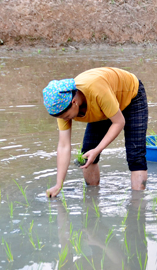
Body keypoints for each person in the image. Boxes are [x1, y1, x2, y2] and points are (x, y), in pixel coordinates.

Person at [43, 67, 148, 197]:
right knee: (88, 154)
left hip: (131, 96)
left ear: (74, 102)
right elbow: (64, 146)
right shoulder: (62, 109)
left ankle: (137, 206)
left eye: (66, 116)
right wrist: (59, 184)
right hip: (104, 105)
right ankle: (92, 200)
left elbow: (119, 122)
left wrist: (98, 149)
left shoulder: (96, 90)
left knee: (135, 155)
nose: (65, 120)